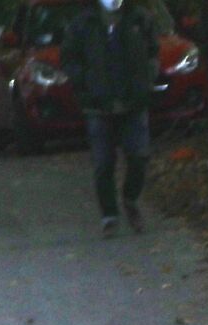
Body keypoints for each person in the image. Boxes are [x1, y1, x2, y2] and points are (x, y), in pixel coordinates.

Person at [63, 0, 158, 234]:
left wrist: (146, 81)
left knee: (138, 156)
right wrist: (85, 86)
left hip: (133, 103)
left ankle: (130, 198)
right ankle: (109, 215)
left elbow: (153, 53)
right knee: (103, 163)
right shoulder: (82, 24)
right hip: (98, 106)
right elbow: (69, 58)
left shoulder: (139, 19)